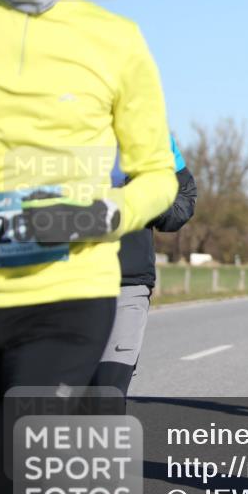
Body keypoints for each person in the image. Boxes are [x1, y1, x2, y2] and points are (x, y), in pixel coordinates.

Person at [0, 0, 178, 494]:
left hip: (73, 291)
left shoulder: (115, 38)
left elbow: (161, 175)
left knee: (16, 482)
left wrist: (102, 215)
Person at [92, 136, 197, 407]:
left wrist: (145, 199)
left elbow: (182, 199)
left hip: (126, 287)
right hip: (53, 288)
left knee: (106, 396)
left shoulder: (148, 130)